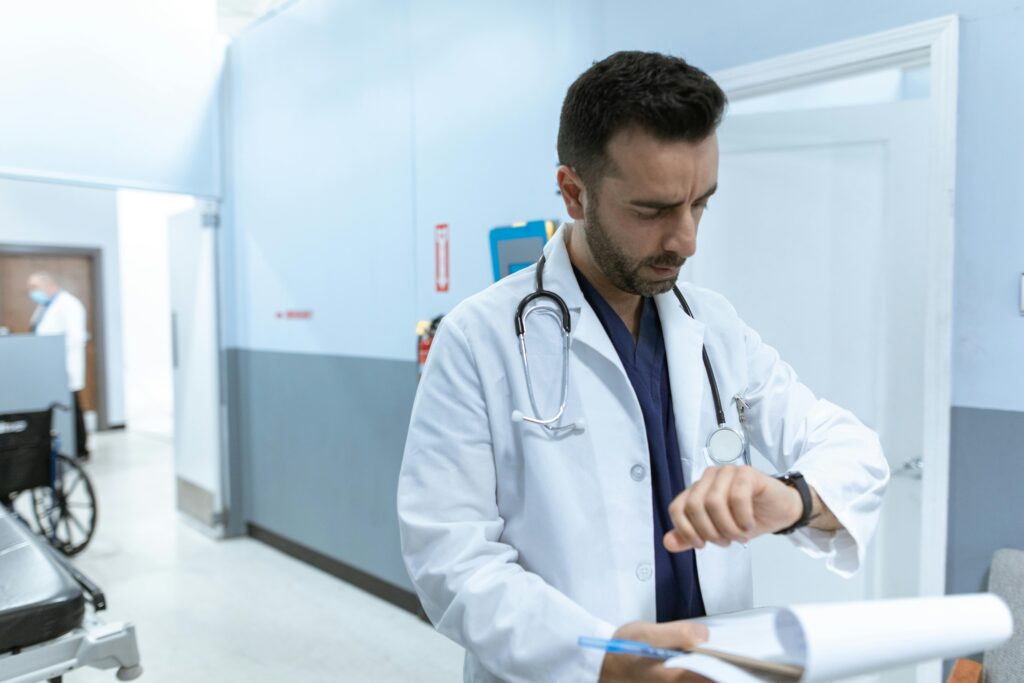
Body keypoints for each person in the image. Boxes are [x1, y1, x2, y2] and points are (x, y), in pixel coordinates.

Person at [397, 51, 890, 683]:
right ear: (574, 193)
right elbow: (450, 559)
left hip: (715, 668)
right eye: (654, 211)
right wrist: (599, 657)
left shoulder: (713, 326)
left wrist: (791, 500)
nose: (686, 239)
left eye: (700, 204)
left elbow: (851, 450)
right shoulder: (478, 338)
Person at [28, 271, 90, 460]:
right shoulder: (45, 306)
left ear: (48, 285)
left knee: (72, 408)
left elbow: (76, 337)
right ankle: (66, 447)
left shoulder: (68, 304)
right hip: (49, 367)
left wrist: (56, 359)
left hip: (64, 366)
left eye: (34, 287)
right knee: (62, 407)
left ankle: (80, 449)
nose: (31, 292)